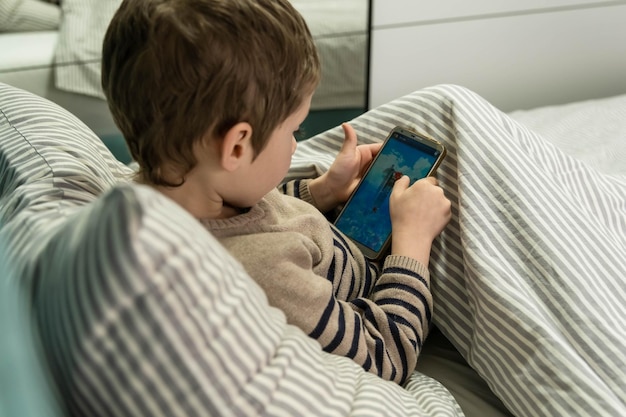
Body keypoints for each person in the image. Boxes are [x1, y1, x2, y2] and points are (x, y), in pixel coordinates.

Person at [102, 0, 451, 385]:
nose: (296, 146)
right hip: (396, 291)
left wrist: (323, 191)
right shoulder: (265, 273)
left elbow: (261, 217)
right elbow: (386, 355)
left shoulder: (178, 186)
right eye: (293, 130)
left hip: (348, 238)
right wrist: (412, 242)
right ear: (236, 147)